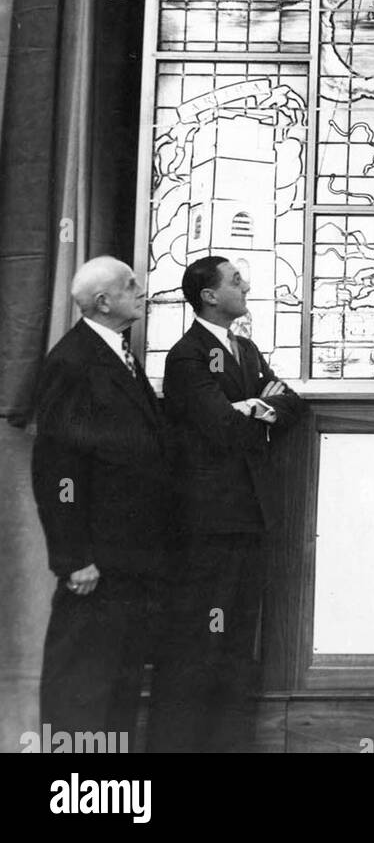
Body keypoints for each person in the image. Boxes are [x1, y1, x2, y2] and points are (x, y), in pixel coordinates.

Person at [147, 256, 304, 753]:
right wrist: (255, 407)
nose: (246, 285)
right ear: (210, 296)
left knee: (236, 647)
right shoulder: (187, 355)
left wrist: (254, 406)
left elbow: (292, 404)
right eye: (236, 280)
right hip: (207, 525)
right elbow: (220, 427)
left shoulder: (247, 350)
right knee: (199, 644)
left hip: (246, 520)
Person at [31, 256, 169, 750]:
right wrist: (73, 557)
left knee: (117, 683)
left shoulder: (117, 355)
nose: (144, 291)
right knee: (82, 685)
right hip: (97, 563)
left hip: (129, 558)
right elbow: (58, 469)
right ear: (104, 301)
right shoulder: (73, 361)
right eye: (131, 286)